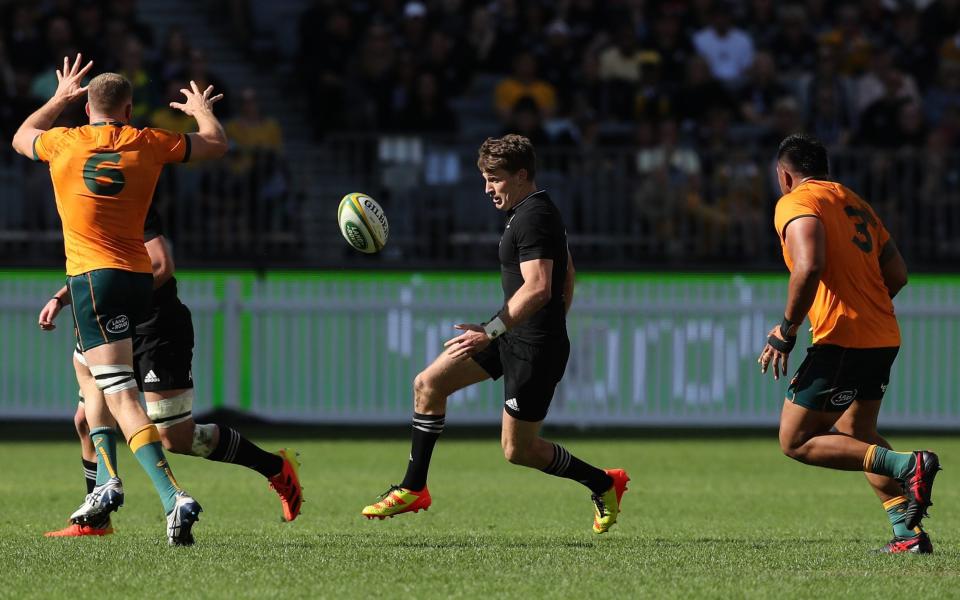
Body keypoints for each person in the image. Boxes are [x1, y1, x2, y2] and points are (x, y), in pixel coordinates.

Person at [361, 135, 629, 533]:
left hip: (532, 347)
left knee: (518, 450)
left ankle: (604, 482)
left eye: (495, 179)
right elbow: (567, 271)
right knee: (428, 384)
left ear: (521, 175)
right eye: (485, 179)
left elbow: (539, 287)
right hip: (511, 333)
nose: (487, 189)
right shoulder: (529, 212)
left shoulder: (534, 216)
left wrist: (508, 329)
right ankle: (413, 488)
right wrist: (517, 325)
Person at [10, 54, 227, 545]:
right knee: (86, 374)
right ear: (128, 110)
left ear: (86, 110)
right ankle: (103, 486)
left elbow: (22, 136)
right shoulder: (146, 141)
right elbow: (216, 143)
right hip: (134, 278)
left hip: (92, 277)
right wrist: (199, 109)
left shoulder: (64, 141)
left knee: (119, 394)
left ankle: (171, 497)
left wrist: (58, 98)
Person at [39, 203, 304, 537]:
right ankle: (97, 520)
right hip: (113, 323)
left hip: (156, 329)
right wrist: (63, 298)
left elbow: (161, 265)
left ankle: (276, 468)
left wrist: (114, 300)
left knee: (176, 437)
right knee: (85, 417)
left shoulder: (132, 199)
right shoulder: (82, 199)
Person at [758, 133, 941, 554]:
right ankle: (908, 535)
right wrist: (867, 307)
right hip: (881, 335)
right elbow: (898, 274)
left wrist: (785, 331)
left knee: (797, 441)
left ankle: (908, 464)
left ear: (785, 175)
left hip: (842, 337)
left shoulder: (796, 202)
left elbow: (808, 265)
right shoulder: (855, 202)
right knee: (858, 433)